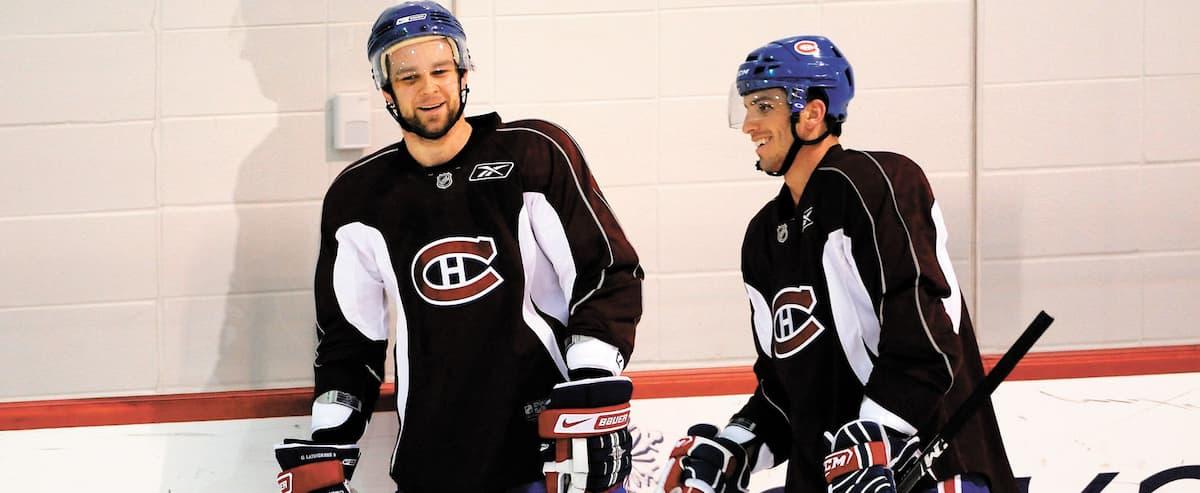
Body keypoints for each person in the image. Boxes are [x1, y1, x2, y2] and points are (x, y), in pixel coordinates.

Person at [272, 2, 643, 492]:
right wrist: (331, 435)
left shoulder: (534, 152)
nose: (429, 89)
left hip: (551, 448)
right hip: (437, 460)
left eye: (440, 70)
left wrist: (590, 387)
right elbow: (348, 340)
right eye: (408, 78)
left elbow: (606, 272)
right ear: (386, 90)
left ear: (464, 72)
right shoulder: (359, 197)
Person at [658, 36, 1018, 493]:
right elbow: (785, 392)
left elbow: (928, 334)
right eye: (746, 106)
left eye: (764, 106)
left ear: (812, 113)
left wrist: (878, 432)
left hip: (924, 473)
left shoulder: (874, 182)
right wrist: (736, 445)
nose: (749, 124)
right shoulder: (763, 238)